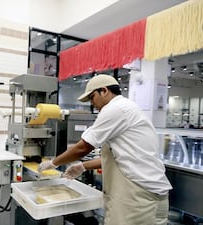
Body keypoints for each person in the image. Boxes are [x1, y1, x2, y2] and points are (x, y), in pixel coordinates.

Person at [38, 74, 172, 225]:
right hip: (146, 195)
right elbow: (120, 157)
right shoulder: (127, 108)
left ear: (104, 91)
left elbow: (83, 147)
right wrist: (83, 166)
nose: (92, 103)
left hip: (138, 197)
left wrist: (53, 163)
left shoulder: (116, 109)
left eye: (92, 97)